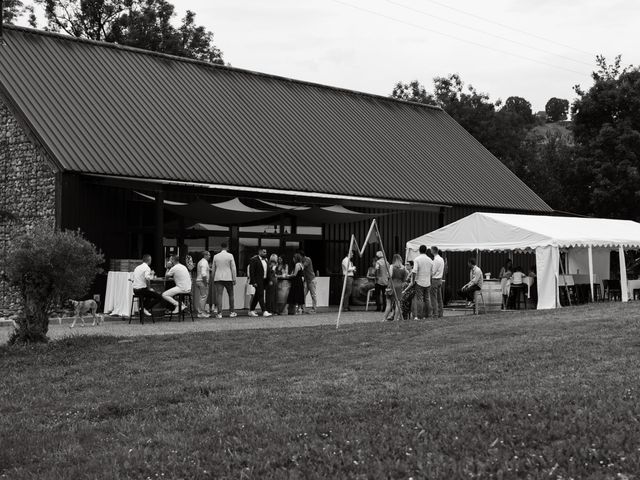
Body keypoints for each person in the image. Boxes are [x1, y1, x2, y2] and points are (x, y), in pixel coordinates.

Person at [211, 243, 237, 318]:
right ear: (227, 247)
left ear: (221, 247)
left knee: (219, 295)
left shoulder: (216, 256)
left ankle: (219, 313)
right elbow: (233, 268)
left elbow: (213, 269)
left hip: (218, 277)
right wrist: (234, 278)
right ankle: (232, 312)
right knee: (231, 295)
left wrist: (213, 278)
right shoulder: (230, 256)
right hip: (228, 277)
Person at [383, 254, 407, 321]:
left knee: (389, 303)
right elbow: (405, 279)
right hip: (399, 286)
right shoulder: (404, 268)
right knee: (398, 303)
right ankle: (395, 319)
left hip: (391, 285)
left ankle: (384, 318)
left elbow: (389, 276)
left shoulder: (391, 266)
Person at [248, 248, 272, 317]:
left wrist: (269, 280)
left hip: (264, 280)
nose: (265, 253)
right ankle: (264, 311)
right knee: (261, 294)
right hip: (257, 280)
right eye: (264, 252)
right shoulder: (254, 260)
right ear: (260, 252)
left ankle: (251, 310)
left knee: (257, 296)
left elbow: (268, 271)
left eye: (266, 252)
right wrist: (253, 281)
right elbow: (251, 271)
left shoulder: (266, 260)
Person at [412, 245, 433, 319]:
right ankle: (428, 315)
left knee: (419, 299)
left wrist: (413, 281)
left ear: (419, 250)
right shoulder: (430, 260)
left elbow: (414, 271)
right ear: (426, 251)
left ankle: (420, 315)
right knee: (427, 299)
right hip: (427, 282)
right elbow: (432, 272)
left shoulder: (417, 259)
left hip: (419, 281)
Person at [195, 251, 210, 318]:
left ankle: (200, 311)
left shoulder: (200, 262)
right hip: (202, 281)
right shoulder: (204, 262)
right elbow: (204, 273)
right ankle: (201, 313)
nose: (210, 256)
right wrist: (205, 282)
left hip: (199, 280)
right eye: (209, 255)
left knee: (201, 297)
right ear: (205, 255)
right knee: (204, 297)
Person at [430, 246, 445, 318]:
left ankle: (435, 314)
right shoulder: (441, 259)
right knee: (439, 298)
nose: (430, 251)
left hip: (435, 280)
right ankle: (440, 313)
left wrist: (428, 276)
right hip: (440, 279)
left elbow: (433, 271)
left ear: (433, 251)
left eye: (431, 250)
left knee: (433, 298)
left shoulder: (436, 260)